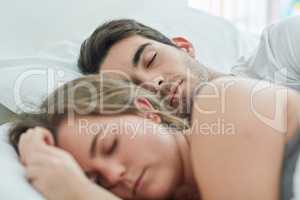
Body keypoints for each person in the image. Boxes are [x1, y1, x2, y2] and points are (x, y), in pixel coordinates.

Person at [8, 74, 300, 200]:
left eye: (111, 145)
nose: (114, 174)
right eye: (96, 181)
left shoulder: (220, 104)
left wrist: (78, 192)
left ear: (146, 110)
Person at [78, 16, 300, 119]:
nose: (152, 83)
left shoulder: (281, 46)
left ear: (183, 46)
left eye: (151, 59)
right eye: (132, 87)